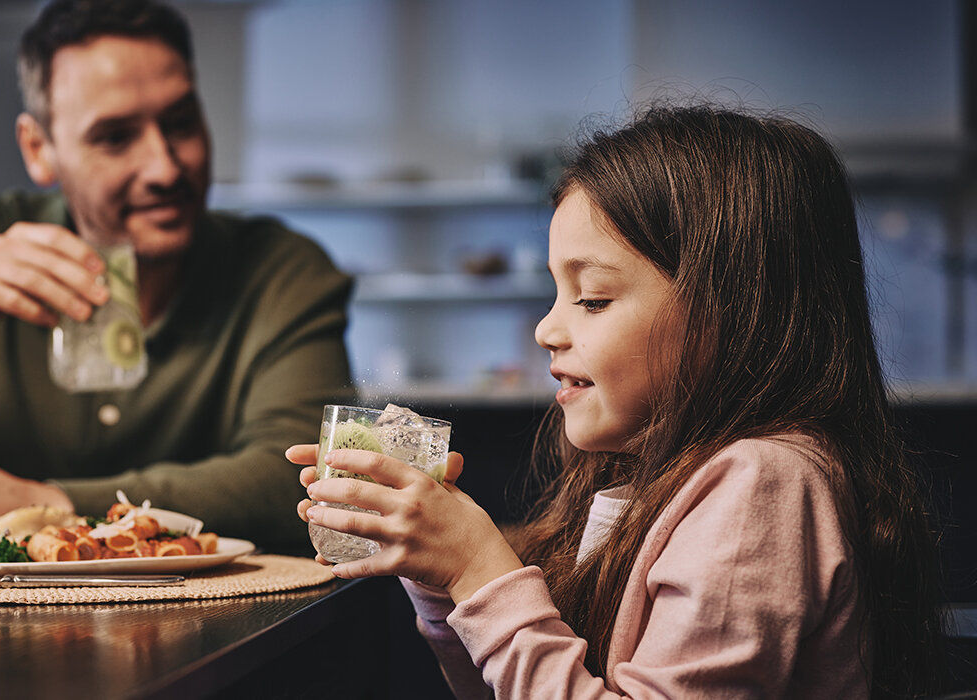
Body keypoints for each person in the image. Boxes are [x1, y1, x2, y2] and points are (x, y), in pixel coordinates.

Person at [287, 104, 943, 697]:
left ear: (731, 309)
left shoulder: (763, 484)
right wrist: (442, 580)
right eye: (555, 294)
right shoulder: (649, 479)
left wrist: (480, 571)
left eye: (593, 297)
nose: (546, 329)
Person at [0, 0, 354, 551]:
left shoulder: (283, 270)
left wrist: (44, 501)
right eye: (115, 137)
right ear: (39, 149)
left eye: (180, 122)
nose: (164, 166)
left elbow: (306, 482)